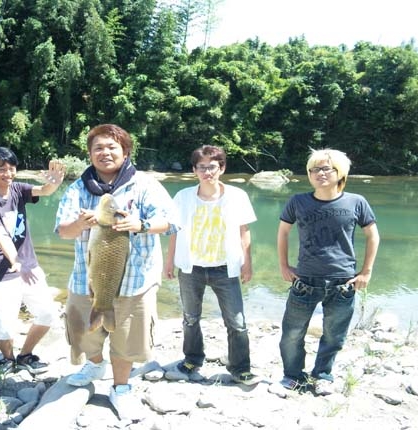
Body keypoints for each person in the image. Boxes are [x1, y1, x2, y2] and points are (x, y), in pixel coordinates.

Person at [55, 124, 177, 421]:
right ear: (90, 153)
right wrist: (81, 224)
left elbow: (171, 222)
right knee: (82, 333)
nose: (105, 153)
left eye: (112, 147)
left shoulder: (145, 184)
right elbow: (63, 231)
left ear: (125, 151)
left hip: (137, 281)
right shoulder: (77, 188)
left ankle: (121, 388)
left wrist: (141, 225)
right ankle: (95, 364)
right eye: (98, 148)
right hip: (86, 279)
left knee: (127, 339)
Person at [277, 148, 380, 396]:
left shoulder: (356, 202)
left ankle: (322, 375)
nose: (319, 173)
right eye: (314, 169)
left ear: (340, 173)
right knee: (292, 334)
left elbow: (373, 235)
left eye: (326, 168)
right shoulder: (298, 201)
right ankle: (292, 375)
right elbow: (283, 232)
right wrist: (283, 265)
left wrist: (366, 272)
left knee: (334, 336)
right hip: (305, 280)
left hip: (343, 282)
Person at [163, 145, 260, 385]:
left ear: (222, 168)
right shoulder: (183, 196)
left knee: (237, 322)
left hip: (225, 268)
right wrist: (169, 261)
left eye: (213, 167)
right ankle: (192, 359)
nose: (208, 172)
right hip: (191, 267)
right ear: (195, 170)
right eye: (202, 167)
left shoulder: (237, 196)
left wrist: (247, 263)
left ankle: (240, 367)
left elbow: (244, 231)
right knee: (190, 318)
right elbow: (174, 230)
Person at [0, 147, 66, 375]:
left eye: (11, 168)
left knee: (47, 313)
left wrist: (54, 183)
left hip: (29, 266)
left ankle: (25, 355)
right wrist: (15, 261)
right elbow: (0, 233)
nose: (8, 173)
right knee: (3, 326)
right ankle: (7, 359)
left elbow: (44, 190)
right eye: (1, 169)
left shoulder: (17, 189)